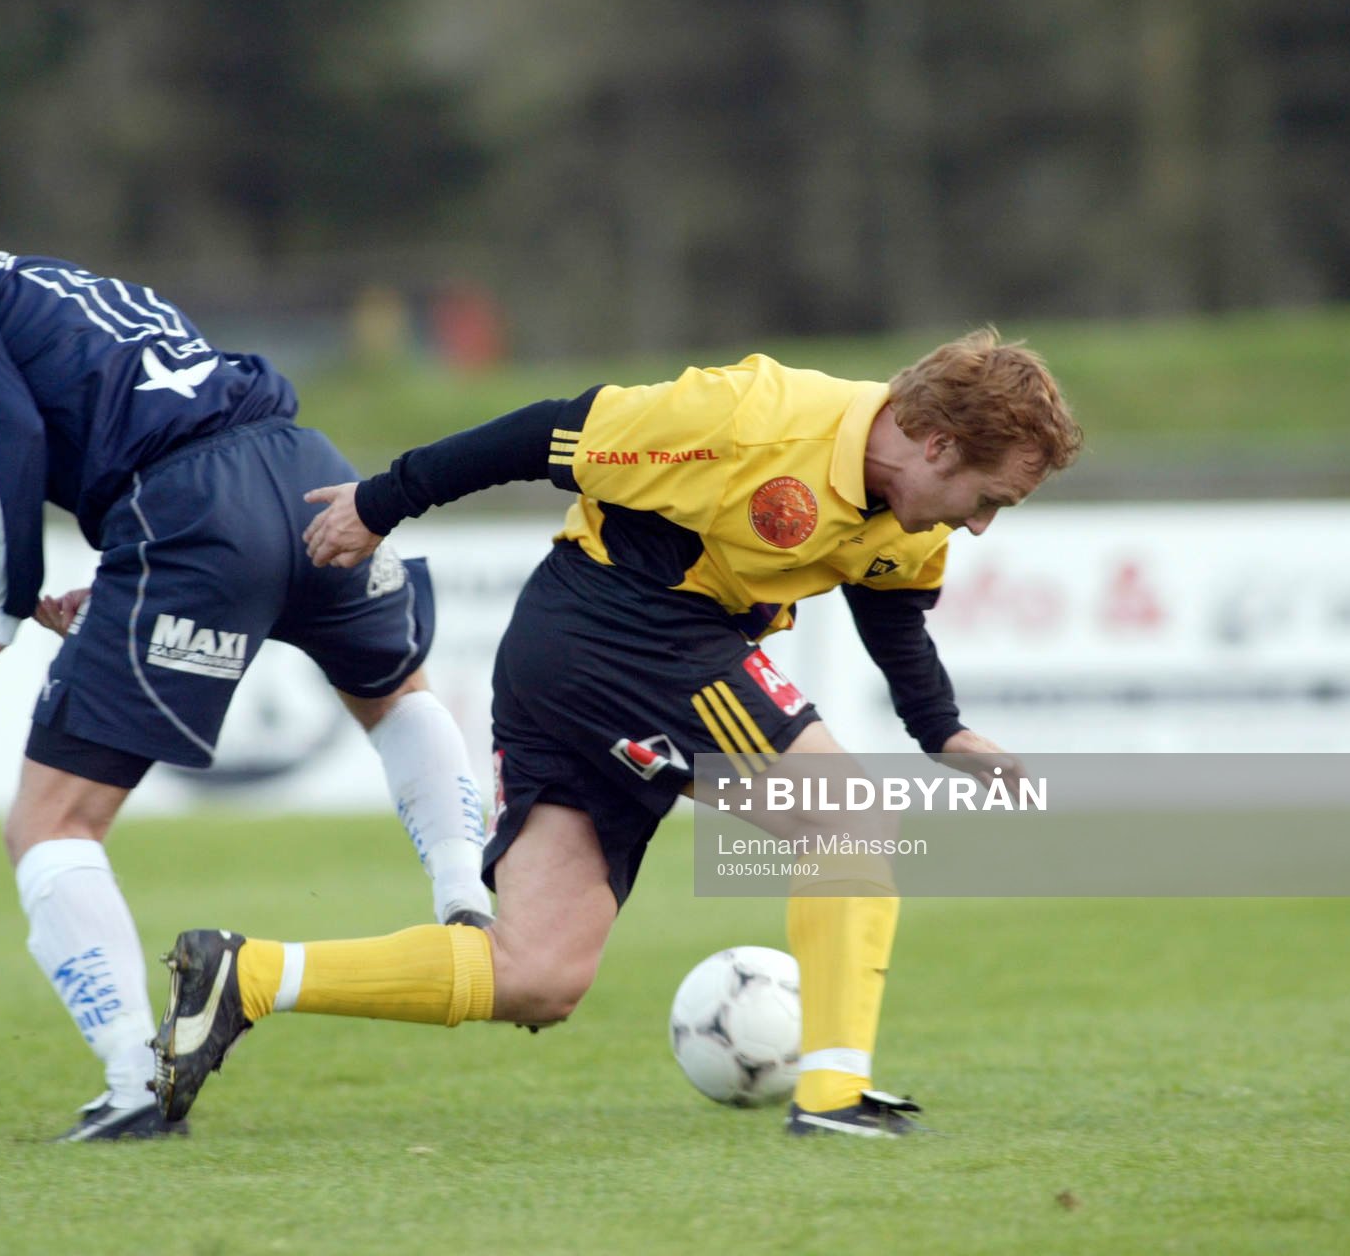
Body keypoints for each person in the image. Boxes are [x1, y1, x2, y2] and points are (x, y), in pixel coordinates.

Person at [151, 333, 1082, 1138]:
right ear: (937, 442)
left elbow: (891, 611)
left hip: (601, 659)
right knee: (847, 819)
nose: (982, 525)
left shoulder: (914, 511)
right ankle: (833, 1097)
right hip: (616, 629)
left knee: (538, 975)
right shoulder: (751, 415)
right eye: (989, 499)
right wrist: (379, 502)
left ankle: (252, 975)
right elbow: (543, 430)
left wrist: (942, 731)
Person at [0, 157, 494, 1142]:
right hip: (302, 466)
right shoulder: (48, 276)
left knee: (50, 821)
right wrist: (120, 574)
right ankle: (466, 896)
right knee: (393, 689)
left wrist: (1, 604)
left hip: (192, 512)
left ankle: (137, 1077)